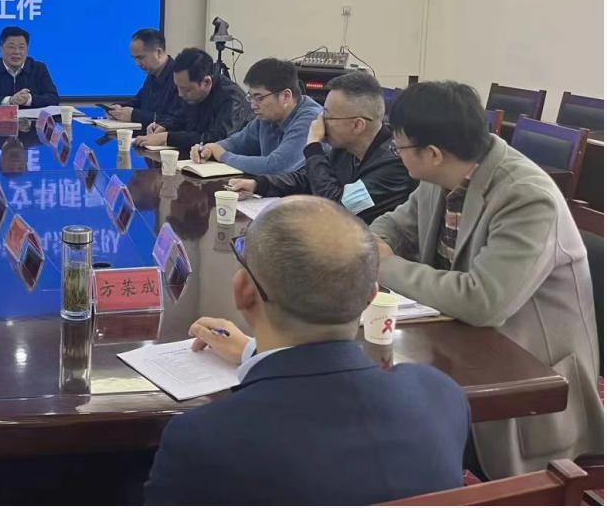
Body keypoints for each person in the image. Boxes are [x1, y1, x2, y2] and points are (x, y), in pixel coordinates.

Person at [145, 197, 470, 505]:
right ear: (371, 296)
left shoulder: (203, 441)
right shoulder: (441, 396)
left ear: (243, 291)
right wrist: (251, 351)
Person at [370, 81, 602, 479]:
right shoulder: (442, 175)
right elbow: (395, 225)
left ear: (433, 153)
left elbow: (483, 302)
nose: (396, 152)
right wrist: (374, 244)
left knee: (402, 433)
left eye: (399, 145)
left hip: (525, 372)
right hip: (460, 340)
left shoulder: (526, 196)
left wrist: (383, 266)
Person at [226, 71, 415, 222]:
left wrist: (314, 147)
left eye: (328, 116)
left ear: (358, 125)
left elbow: (338, 208)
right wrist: (260, 184)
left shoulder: (393, 166)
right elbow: (309, 179)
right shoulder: (346, 148)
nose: (319, 122)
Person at [194, 57, 321, 173]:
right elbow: (237, 143)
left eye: (259, 98)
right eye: (251, 97)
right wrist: (209, 149)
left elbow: (276, 166)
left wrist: (223, 156)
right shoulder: (267, 118)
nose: (253, 105)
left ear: (286, 96)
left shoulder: (311, 120)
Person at [134, 48, 252, 153]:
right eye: (177, 87)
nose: (180, 94)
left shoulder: (232, 99)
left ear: (206, 82)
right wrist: (164, 126)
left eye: (186, 89)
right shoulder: (191, 92)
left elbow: (218, 139)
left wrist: (167, 137)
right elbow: (181, 117)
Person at [0, 26, 60, 108]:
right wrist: (10, 100)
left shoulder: (38, 68)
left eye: (21, 47)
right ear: (1, 49)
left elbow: (53, 99)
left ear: (27, 49)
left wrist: (28, 99)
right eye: (11, 47)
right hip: (1, 121)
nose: (16, 52)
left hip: (32, 121)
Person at [107, 28, 178, 126]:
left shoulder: (179, 77)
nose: (137, 64)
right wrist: (118, 108)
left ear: (159, 53)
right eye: (134, 59)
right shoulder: (152, 74)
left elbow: (175, 120)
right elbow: (138, 101)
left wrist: (134, 115)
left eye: (141, 57)